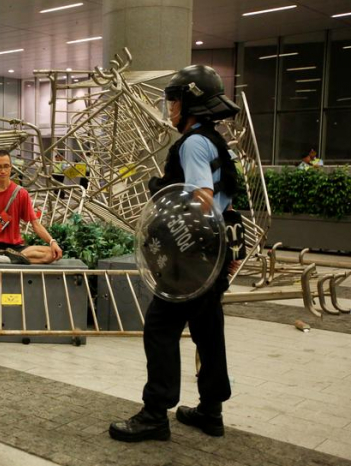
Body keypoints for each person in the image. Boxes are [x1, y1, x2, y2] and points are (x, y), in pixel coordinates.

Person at [109, 65, 241, 442]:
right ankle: (210, 411)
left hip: (189, 259)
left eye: (174, 99)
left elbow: (200, 200)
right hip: (211, 257)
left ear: (191, 102)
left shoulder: (194, 143)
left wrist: (164, 196)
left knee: (160, 330)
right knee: (208, 332)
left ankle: (155, 413)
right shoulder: (215, 141)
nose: (169, 107)